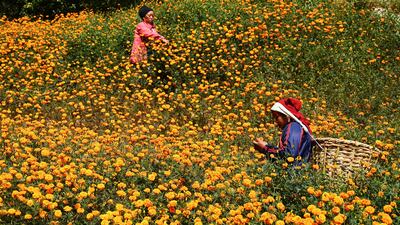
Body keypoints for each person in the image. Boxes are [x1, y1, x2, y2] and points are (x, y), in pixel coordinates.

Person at [253, 98, 314, 166]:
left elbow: (289, 155)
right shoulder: (296, 127)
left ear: (286, 116)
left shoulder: (293, 127)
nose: (275, 121)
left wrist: (265, 148)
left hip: (295, 172)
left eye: (276, 117)